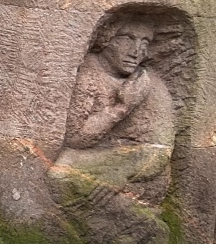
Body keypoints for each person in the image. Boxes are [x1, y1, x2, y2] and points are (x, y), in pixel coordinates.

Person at [50, 14, 175, 206]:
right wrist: (122, 107)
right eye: (127, 39)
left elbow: (161, 150)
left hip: (138, 168)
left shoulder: (150, 84)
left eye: (145, 42)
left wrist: (120, 173)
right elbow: (76, 139)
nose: (136, 51)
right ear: (107, 39)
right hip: (92, 160)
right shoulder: (89, 75)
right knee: (63, 168)